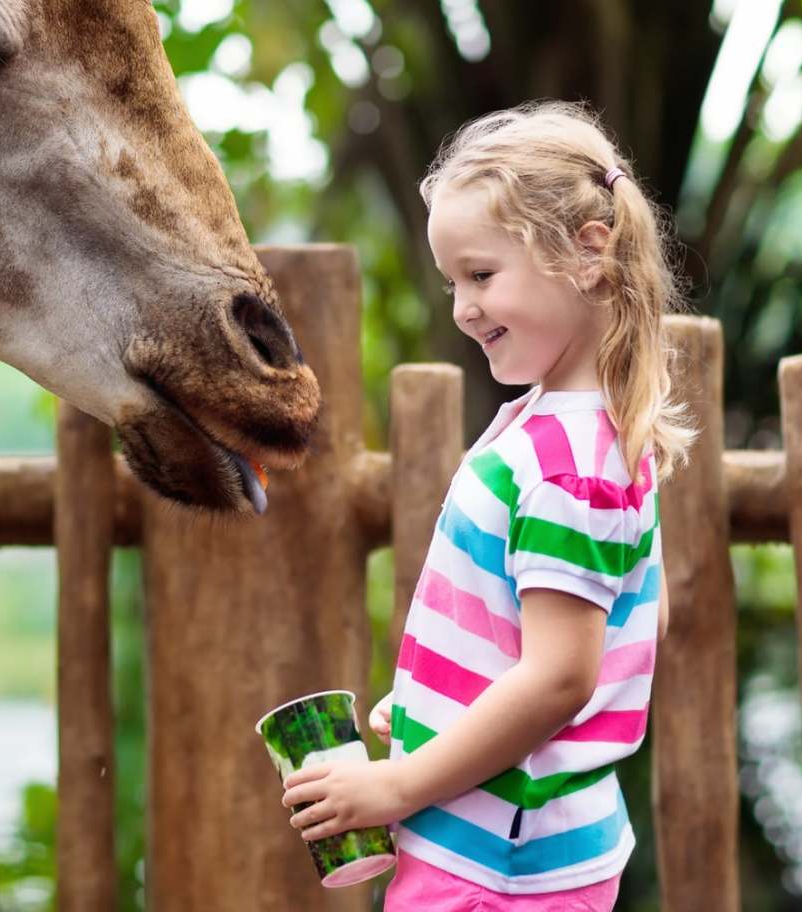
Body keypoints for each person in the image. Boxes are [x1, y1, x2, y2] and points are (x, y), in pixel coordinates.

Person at [280, 102, 691, 908]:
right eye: (453, 282)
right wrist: (449, 709)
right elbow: (641, 614)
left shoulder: (568, 467)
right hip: (506, 848)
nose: (462, 307)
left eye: (482, 274)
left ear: (588, 252)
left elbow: (557, 680)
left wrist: (401, 785)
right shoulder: (569, 433)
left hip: (498, 870)